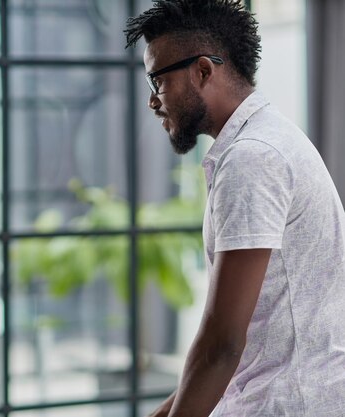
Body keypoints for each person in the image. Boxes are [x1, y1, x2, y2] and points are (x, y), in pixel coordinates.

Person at [125, 1, 345, 416]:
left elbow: (223, 343)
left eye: (158, 81)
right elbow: (236, 352)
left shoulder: (251, 158)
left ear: (203, 71)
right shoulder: (267, 139)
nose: (153, 101)